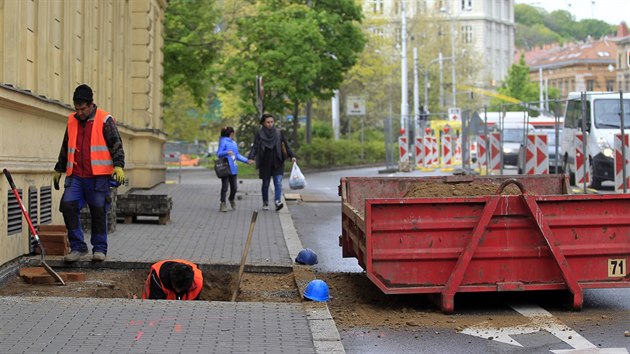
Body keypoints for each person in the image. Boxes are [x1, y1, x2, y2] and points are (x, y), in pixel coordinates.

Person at [53, 84, 125, 263]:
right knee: (68, 206)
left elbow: (116, 143)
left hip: (98, 176)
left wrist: (118, 166)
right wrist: (59, 168)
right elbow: (66, 145)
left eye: (83, 109)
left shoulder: (104, 119)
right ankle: (78, 247)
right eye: (77, 109)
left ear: (91, 104)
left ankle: (99, 249)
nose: (80, 112)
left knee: (98, 211)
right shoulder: (72, 120)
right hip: (76, 175)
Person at [248, 113, 296, 211]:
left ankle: (277, 201)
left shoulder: (278, 133)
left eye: (272, 122)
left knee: (278, 182)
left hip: (277, 161)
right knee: (265, 183)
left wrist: (292, 156)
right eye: (268, 122)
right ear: (263, 123)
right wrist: (251, 157)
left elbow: (286, 145)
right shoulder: (260, 134)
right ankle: (265, 202)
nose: (270, 124)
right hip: (265, 163)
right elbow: (255, 147)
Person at [216, 126, 253, 212]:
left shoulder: (234, 143)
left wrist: (246, 161)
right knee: (225, 187)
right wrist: (226, 152)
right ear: (231, 133)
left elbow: (237, 155)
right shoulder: (223, 142)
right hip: (225, 168)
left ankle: (231, 199)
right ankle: (223, 203)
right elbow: (219, 153)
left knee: (234, 188)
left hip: (233, 167)